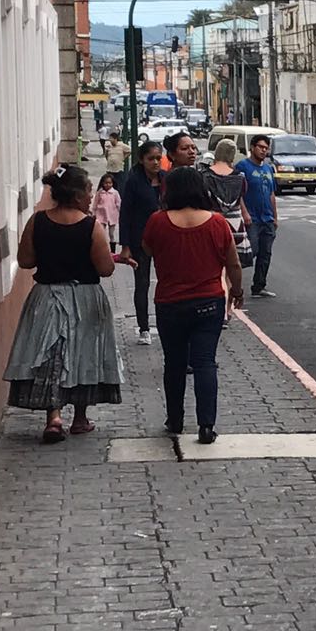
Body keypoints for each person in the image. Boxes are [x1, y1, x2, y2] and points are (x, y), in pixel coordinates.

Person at [3, 164, 125, 443]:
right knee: (84, 354)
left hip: (46, 296)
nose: (91, 196)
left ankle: (53, 417)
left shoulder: (37, 221)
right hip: (85, 298)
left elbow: (25, 261)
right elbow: (105, 269)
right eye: (89, 190)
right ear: (78, 194)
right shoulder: (91, 227)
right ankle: (80, 418)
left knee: (51, 355)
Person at [143, 167, 243, 444]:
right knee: (204, 363)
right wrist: (236, 290)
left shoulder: (157, 221)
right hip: (208, 302)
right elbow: (233, 263)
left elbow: (148, 249)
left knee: (173, 364)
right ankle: (206, 426)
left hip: (170, 303)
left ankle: (174, 419)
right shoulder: (217, 223)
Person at [118, 141, 166, 344]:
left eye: (158, 158)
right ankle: (144, 328)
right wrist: (126, 245)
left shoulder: (165, 179)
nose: (156, 162)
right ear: (141, 160)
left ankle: (166, 324)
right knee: (143, 283)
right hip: (141, 240)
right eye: (151, 159)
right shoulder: (133, 181)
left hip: (165, 238)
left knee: (167, 282)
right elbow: (125, 213)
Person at [203, 138, 251, 323]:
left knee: (217, 269)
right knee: (232, 267)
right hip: (235, 224)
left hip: (213, 222)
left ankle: (220, 309)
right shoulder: (240, 177)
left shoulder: (206, 176)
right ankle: (228, 309)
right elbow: (241, 198)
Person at [236, 134, 278, 298]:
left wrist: (275, 216)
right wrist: (244, 212)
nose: (263, 151)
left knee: (265, 254)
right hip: (252, 218)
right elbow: (237, 192)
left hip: (267, 218)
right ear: (252, 147)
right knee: (249, 252)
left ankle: (259, 286)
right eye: (260, 147)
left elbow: (271, 193)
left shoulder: (268, 168)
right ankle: (233, 283)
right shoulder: (243, 166)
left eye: (266, 148)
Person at [92, 172, 121, 252]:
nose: (108, 185)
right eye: (106, 183)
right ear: (102, 183)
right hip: (101, 215)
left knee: (111, 234)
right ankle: (103, 249)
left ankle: (112, 250)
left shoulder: (115, 193)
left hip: (112, 215)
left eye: (110, 183)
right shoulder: (100, 193)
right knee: (101, 233)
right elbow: (95, 203)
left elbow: (118, 204)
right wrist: (93, 212)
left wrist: (120, 213)